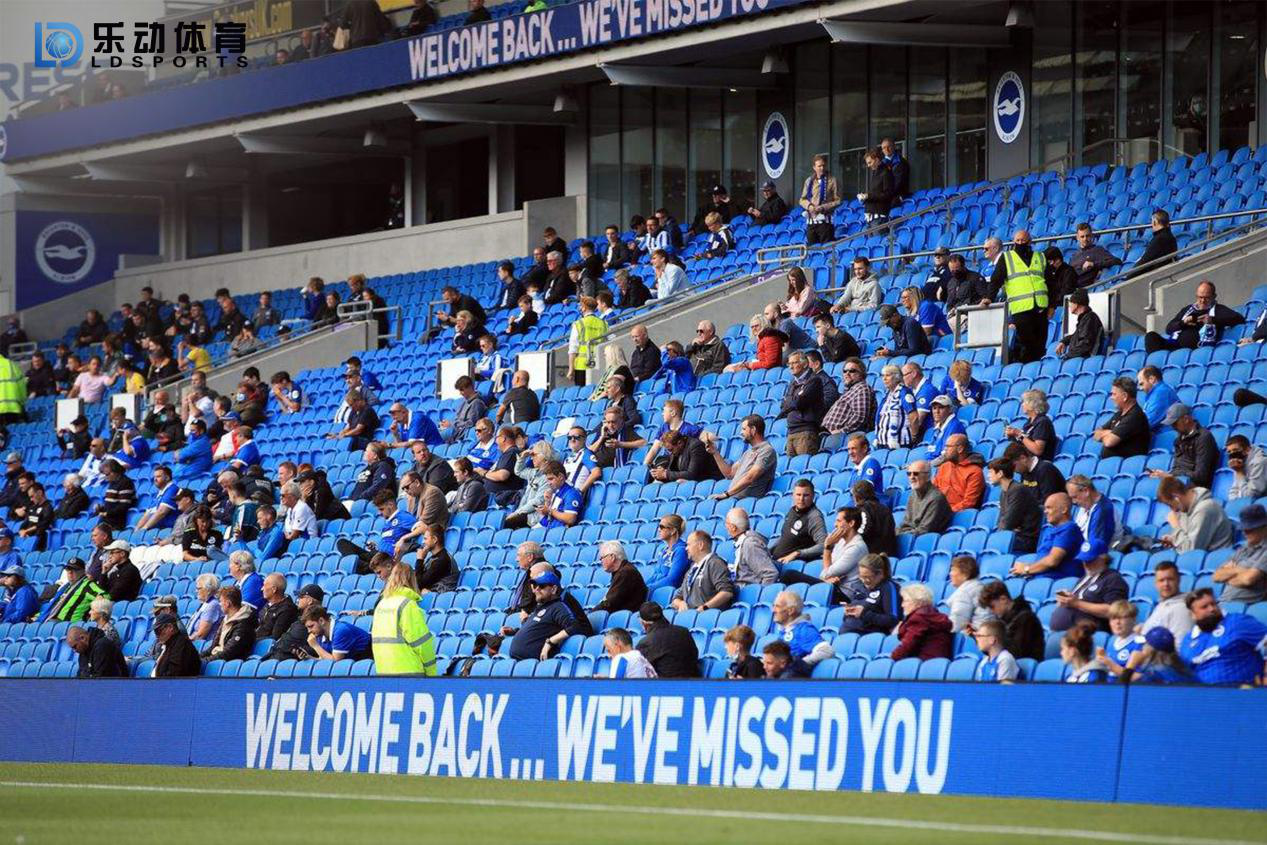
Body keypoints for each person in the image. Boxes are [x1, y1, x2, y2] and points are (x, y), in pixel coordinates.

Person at [1178, 588, 1267, 685]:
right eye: (1204, 607)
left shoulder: (1238, 622)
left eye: (1213, 604)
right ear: (1193, 615)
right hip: (1204, 696)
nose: (1211, 609)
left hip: (1243, 692)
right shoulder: (1187, 641)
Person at [988, 229, 1049, 364]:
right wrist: (988, 297)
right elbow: (996, 280)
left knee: (1040, 344)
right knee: (1027, 344)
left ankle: (1036, 370)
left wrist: (1053, 305)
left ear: (1030, 241)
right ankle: (1026, 370)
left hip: (1040, 306)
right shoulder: (1007, 258)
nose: (1020, 243)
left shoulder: (1040, 257)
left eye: (1023, 240)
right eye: (1018, 241)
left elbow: (1049, 282)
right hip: (1020, 309)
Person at [780, 507, 864, 596]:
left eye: (839, 521)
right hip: (831, 586)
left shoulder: (856, 547)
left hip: (844, 593)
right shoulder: (841, 541)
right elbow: (828, 571)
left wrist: (827, 548)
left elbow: (826, 573)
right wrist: (827, 578)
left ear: (851, 523)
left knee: (789, 575)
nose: (835, 525)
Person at [1048, 540, 1130, 632]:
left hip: (1089, 635)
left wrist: (1077, 604)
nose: (1086, 564)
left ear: (1103, 558)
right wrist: (1065, 601)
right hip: (1069, 635)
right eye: (1083, 560)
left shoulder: (1113, 579)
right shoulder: (1085, 578)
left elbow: (1115, 611)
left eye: (1090, 560)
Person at [372, 563, 437, 675]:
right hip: (409, 673)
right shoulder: (407, 605)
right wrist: (431, 673)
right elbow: (421, 643)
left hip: (384, 672)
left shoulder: (381, 605)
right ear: (412, 580)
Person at [1144, 280, 1245, 353]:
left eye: (1206, 298)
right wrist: (1183, 323)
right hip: (1174, 344)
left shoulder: (1219, 310)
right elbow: (1169, 329)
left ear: (1214, 297)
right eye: (1200, 297)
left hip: (1194, 348)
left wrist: (1212, 320)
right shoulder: (1188, 309)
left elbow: (1239, 319)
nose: (1202, 301)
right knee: (1150, 336)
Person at [508, 571, 585, 660]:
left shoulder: (558, 607)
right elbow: (539, 630)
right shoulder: (542, 607)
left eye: (542, 586)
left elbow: (575, 626)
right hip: (519, 662)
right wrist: (514, 631)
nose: (536, 589)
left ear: (553, 589)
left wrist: (550, 642)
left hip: (532, 665)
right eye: (535, 585)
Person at [1009, 493, 1083, 579]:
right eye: (1045, 508)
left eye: (1049, 507)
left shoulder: (1069, 528)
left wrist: (1026, 569)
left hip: (1057, 583)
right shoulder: (1050, 530)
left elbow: (1052, 561)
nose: (1045, 511)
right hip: (1041, 580)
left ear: (1064, 509)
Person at [1157, 476, 1235, 553]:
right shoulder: (1185, 511)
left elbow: (1191, 552)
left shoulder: (1204, 509)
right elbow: (1187, 543)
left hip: (1217, 561)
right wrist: (1174, 540)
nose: (1173, 510)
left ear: (1176, 497)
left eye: (1170, 505)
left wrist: (1176, 527)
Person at [1151, 403, 1218, 490]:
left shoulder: (1204, 438)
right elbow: (1177, 467)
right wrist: (1164, 475)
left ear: (1186, 419)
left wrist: (1171, 476)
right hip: (1181, 485)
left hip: (1196, 489)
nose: (1173, 427)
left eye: (1175, 423)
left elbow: (1201, 476)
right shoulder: (1179, 440)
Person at [976, 580, 1044, 661]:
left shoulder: (1026, 619)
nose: (991, 611)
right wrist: (982, 638)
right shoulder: (1003, 620)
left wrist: (991, 640)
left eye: (992, 606)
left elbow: (1016, 653)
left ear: (1003, 599)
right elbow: (996, 652)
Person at [670, 531, 735, 611]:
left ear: (700, 545)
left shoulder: (715, 563)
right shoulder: (692, 568)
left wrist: (705, 607)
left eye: (689, 545)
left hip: (707, 617)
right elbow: (676, 598)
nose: (686, 548)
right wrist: (680, 603)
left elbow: (726, 592)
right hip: (690, 617)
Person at [838, 553, 902, 635]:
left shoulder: (888, 587)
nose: (864, 581)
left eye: (867, 577)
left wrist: (864, 614)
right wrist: (849, 612)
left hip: (869, 638)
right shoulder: (860, 587)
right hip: (847, 636)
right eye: (861, 576)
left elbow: (893, 619)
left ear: (880, 574)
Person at [635, 602, 699, 677]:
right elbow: (695, 654)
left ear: (644, 624)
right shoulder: (684, 631)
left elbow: (640, 672)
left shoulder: (645, 643)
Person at [769, 480, 828, 563]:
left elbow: (823, 546)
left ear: (813, 496)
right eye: (798, 495)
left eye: (806, 495)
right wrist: (769, 551)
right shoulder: (792, 510)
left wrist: (797, 553)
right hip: (776, 561)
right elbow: (785, 536)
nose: (801, 499)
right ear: (793, 495)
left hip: (791, 567)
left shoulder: (814, 517)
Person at [1092, 376, 1151, 459]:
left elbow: (1109, 442)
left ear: (1125, 396)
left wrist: (1109, 434)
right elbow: (1096, 433)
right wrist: (1112, 432)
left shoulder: (1135, 415)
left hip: (1129, 465)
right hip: (1113, 464)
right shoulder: (1119, 413)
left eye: (1114, 394)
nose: (1111, 397)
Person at [891, 584, 953, 660]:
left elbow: (908, 644)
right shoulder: (929, 614)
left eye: (905, 601)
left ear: (918, 602)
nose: (902, 605)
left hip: (926, 663)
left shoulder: (920, 617)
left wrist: (892, 658)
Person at [1095, 600, 1148, 679]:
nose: (1117, 622)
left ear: (1133, 620)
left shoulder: (1140, 644)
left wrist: (1109, 664)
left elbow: (1138, 677)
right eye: (1113, 618)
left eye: (1122, 618)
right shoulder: (1112, 642)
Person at [590, 541, 647, 612]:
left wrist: (591, 613)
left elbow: (610, 602)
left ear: (612, 557)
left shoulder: (625, 572)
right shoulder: (622, 571)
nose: (601, 561)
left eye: (602, 558)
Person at [897, 461, 952, 536]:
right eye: (909, 474)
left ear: (928, 476)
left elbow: (925, 530)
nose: (912, 477)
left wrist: (901, 535)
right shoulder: (913, 494)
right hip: (911, 536)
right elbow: (906, 523)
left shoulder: (936, 498)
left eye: (916, 473)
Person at [202, 585, 255, 661]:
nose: (220, 604)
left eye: (221, 601)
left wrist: (205, 661)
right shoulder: (226, 619)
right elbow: (213, 647)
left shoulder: (244, 624)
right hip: (216, 658)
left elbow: (228, 653)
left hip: (226, 662)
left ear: (228, 603)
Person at [303, 604, 372, 662]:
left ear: (321, 621)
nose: (309, 631)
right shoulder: (320, 634)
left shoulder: (341, 630)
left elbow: (335, 663)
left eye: (311, 626)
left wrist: (316, 646)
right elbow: (325, 659)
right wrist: (309, 658)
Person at [1003, 389, 1057, 462]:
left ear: (1033, 404)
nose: (1022, 405)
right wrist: (1013, 436)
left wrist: (1019, 434)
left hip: (1040, 466)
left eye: (1024, 402)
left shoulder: (1043, 422)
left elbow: (1037, 450)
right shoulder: (1029, 422)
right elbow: (1025, 445)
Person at [1067, 474, 1119, 550]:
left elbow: (1095, 547)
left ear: (1086, 491)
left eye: (1075, 497)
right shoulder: (1085, 505)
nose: (1073, 502)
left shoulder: (1103, 510)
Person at [566, 296, 609, 387]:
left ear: (584, 307)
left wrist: (571, 369)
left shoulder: (578, 324)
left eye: (581, 306)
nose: (580, 309)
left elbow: (573, 349)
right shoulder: (604, 323)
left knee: (582, 393)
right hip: (599, 364)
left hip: (582, 365)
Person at [944, 556, 993, 633]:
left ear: (965, 574)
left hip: (976, 636)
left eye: (953, 570)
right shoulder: (976, 586)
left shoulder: (965, 592)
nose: (950, 574)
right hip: (985, 633)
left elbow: (957, 624)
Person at [799, 155, 840, 245]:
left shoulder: (832, 180)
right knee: (812, 250)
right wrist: (809, 206)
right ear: (814, 167)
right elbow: (802, 199)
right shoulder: (809, 181)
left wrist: (823, 207)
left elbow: (838, 200)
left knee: (827, 249)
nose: (822, 168)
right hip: (811, 222)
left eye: (823, 165)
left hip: (825, 222)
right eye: (819, 166)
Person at [1067, 222, 1122, 288]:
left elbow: (1117, 261)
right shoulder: (1074, 256)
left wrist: (1093, 264)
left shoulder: (1097, 250)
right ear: (1077, 238)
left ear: (1092, 235)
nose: (1085, 239)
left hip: (1084, 289)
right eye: (1082, 236)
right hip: (1071, 288)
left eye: (1087, 236)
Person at [1055, 289, 1104, 359]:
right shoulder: (1085, 318)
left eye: (1070, 303)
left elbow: (1085, 344)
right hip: (1078, 359)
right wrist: (1064, 341)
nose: (1069, 306)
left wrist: (1068, 356)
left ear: (1076, 304)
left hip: (1084, 360)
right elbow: (1076, 336)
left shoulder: (1090, 318)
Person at [1130, 209, 1178, 278]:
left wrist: (1129, 276)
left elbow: (1145, 261)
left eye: (1152, 221)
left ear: (1155, 222)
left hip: (1156, 276)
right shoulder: (1170, 236)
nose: (1151, 224)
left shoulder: (1159, 239)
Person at [437, 376, 485, 444]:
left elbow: (470, 423)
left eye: (462, 390)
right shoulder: (464, 402)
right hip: (455, 431)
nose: (460, 393)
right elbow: (458, 419)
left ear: (470, 387)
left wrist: (451, 424)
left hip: (460, 433)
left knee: (434, 436)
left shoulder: (477, 403)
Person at [857, 146, 896, 228]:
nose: (868, 166)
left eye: (870, 162)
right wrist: (865, 197)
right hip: (870, 217)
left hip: (879, 217)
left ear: (877, 160)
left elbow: (887, 194)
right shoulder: (875, 173)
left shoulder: (886, 173)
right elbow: (875, 193)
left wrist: (868, 196)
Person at [1137, 366, 1179, 434]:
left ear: (1152, 379)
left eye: (1142, 384)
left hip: (1166, 437)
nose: (1140, 388)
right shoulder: (1154, 394)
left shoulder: (1161, 393)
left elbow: (1147, 422)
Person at [1227, 435, 1267, 501]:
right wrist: (1235, 501)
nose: (1232, 454)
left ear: (1247, 450)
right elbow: (1233, 492)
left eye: (1235, 450)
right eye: (1229, 452)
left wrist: (1239, 473)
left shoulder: (1260, 462)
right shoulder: (1239, 462)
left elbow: (1250, 496)